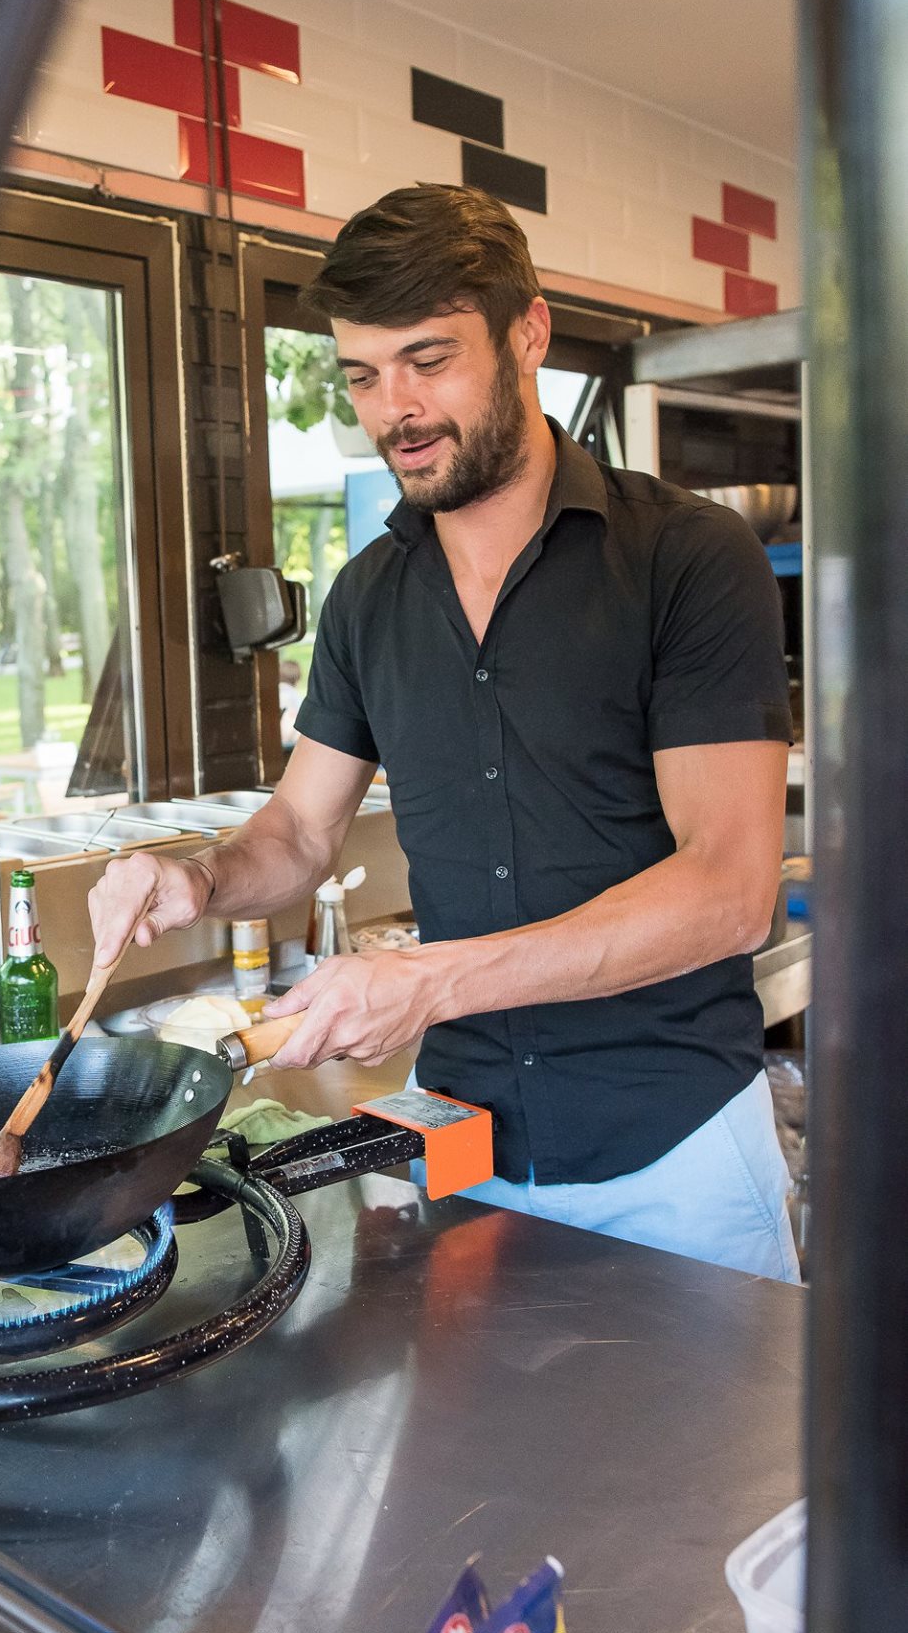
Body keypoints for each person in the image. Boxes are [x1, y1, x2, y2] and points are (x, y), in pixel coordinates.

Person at [90, 183, 797, 1282]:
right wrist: (198, 878)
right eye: (363, 376)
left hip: (676, 1155)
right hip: (462, 1150)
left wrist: (430, 981)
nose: (396, 409)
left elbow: (728, 890)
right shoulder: (367, 597)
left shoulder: (687, 559)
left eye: (428, 359)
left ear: (529, 334)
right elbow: (298, 834)